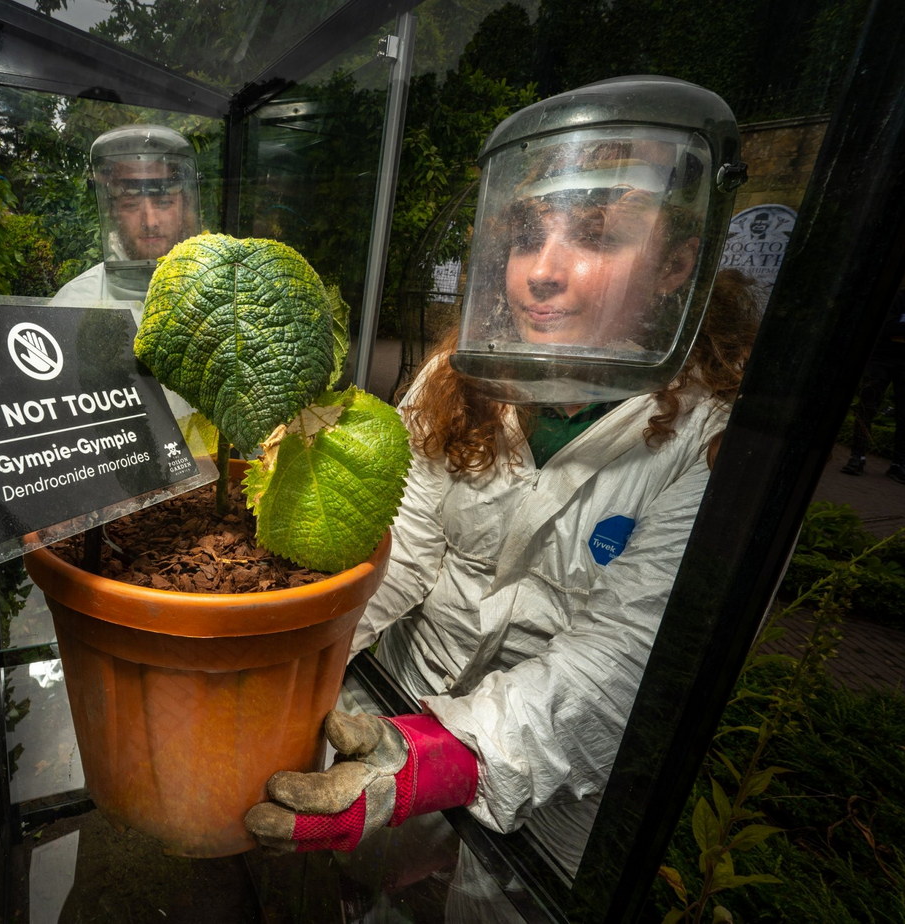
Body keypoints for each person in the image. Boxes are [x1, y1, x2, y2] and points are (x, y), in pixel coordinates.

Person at [244, 75, 759, 910]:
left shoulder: (715, 441)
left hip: (560, 792)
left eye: (593, 237)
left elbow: (627, 657)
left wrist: (440, 760)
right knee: (367, 900)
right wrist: (284, 656)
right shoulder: (458, 380)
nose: (542, 274)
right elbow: (399, 554)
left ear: (675, 265)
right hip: (393, 716)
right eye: (525, 239)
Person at [51, 124, 201, 306]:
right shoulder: (77, 301)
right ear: (113, 212)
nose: (150, 222)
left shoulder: (219, 291)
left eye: (163, 202)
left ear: (184, 206)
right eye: (131, 205)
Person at [841, 246, 905, 485]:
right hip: (882, 360)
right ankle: (857, 456)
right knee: (867, 408)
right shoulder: (898, 297)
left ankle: (899, 464)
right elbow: (885, 327)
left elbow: (900, 328)